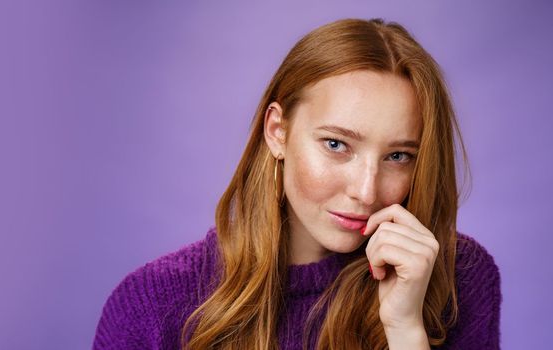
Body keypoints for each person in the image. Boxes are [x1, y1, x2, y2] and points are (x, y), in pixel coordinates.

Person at [92, 18, 501, 350]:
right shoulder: (151, 305)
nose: (366, 190)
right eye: (337, 145)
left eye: (398, 156)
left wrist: (405, 330)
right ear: (277, 132)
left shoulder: (456, 277)